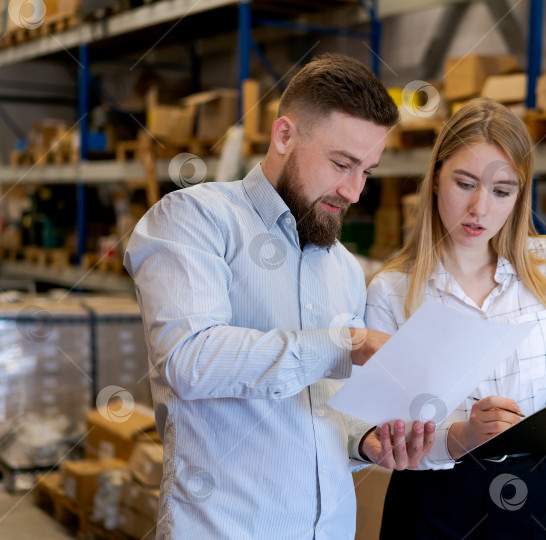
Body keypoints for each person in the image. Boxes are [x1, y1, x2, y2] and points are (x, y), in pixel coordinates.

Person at [124, 54, 435, 540]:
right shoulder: (194, 220)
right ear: (284, 135)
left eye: (367, 173)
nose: (353, 191)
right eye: (341, 164)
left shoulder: (344, 268)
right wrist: (344, 342)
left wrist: (366, 442)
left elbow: (327, 411)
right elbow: (188, 361)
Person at [365, 98, 546, 539]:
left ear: (520, 195)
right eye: (464, 183)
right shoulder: (392, 291)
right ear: (435, 177)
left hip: (540, 495)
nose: (479, 209)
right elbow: (382, 435)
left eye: (501, 191)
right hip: (433, 503)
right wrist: (463, 434)